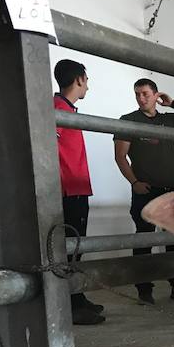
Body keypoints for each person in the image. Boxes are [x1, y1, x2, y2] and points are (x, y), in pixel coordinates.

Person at [114, 78, 174, 305]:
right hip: (146, 190)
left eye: (145, 94)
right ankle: (144, 290)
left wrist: (173, 103)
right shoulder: (128, 121)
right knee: (144, 239)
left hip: (170, 189)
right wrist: (134, 182)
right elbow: (120, 156)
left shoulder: (169, 120)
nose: (141, 98)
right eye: (137, 94)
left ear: (156, 95)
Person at [54, 59, 105, 325]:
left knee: (77, 248)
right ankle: (72, 305)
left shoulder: (66, 109)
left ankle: (77, 296)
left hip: (76, 188)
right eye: (86, 80)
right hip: (67, 190)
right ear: (79, 80)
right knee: (71, 249)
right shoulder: (57, 109)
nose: (87, 85)